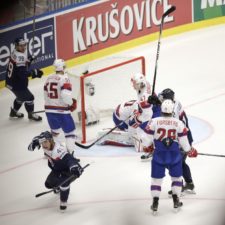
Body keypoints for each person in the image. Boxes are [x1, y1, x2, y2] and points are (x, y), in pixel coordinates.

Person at [141, 99, 198, 214]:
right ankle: (176, 200)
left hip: (159, 154)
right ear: (172, 110)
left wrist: (147, 146)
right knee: (177, 178)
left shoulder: (154, 121)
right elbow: (184, 143)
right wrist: (190, 150)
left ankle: (155, 202)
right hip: (174, 155)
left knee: (156, 180)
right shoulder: (179, 123)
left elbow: (146, 141)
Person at [28, 131, 83, 211]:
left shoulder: (59, 150)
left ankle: (63, 201)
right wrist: (34, 142)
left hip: (69, 170)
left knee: (63, 184)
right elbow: (31, 147)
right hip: (58, 169)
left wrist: (74, 166)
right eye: (42, 143)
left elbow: (69, 159)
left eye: (45, 142)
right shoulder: (48, 144)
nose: (44, 145)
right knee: (48, 184)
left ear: (51, 141)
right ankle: (59, 186)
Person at [43, 59, 77, 154]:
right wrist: (71, 104)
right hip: (62, 112)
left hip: (49, 111)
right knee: (70, 132)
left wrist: (51, 105)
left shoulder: (48, 78)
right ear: (62, 67)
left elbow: (45, 95)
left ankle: (48, 152)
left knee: (55, 131)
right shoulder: (64, 78)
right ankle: (70, 153)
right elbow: (65, 96)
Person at [5, 37, 43, 121]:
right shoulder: (20, 56)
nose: (23, 47)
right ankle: (31, 114)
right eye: (21, 46)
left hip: (10, 82)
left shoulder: (14, 52)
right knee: (30, 98)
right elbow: (22, 74)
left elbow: (19, 67)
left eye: (24, 45)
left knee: (21, 98)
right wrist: (34, 73)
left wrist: (28, 60)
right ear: (16, 46)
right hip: (17, 84)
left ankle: (14, 112)